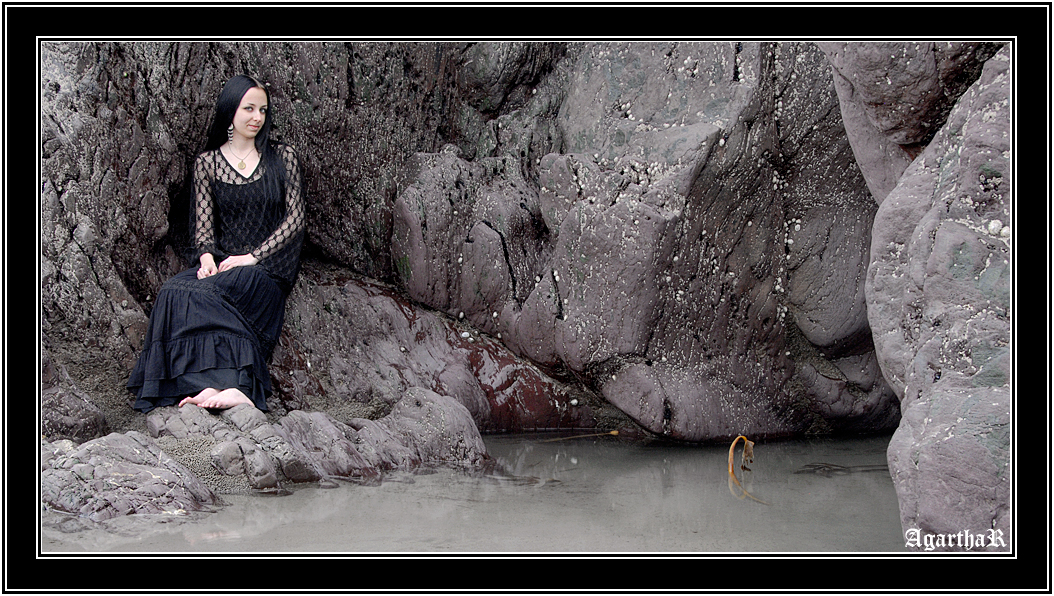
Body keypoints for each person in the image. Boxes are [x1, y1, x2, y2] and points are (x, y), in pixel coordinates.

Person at [127, 75, 306, 412]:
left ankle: (239, 388)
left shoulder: (282, 157)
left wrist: (251, 258)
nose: (257, 117)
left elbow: (295, 219)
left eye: (262, 110)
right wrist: (207, 256)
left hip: (264, 269)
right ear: (230, 111)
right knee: (174, 292)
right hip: (223, 262)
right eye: (248, 108)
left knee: (211, 293)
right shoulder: (207, 164)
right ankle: (204, 383)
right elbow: (204, 224)